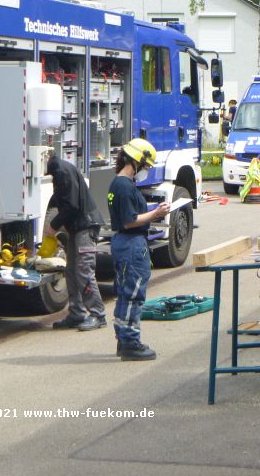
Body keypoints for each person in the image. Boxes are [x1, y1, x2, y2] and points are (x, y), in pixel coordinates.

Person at [107, 138, 170, 361]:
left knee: (127, 293)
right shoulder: (124, 186)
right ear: (136, 162)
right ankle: (130, 342)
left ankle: (124, 339)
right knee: (133, 295)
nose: (146, 171)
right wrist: (155, 214)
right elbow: (129, 220)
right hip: (132, 244)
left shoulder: (120, 184)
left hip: (126, 244)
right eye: (145, 166)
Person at [44, 153, 108, 331]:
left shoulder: (62, 172)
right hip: (78, 227)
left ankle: (98, 314)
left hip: (86, 226)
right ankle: (76, 313)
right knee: (70, 270)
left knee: (84, 271)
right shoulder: (59, 171)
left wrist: (54, 226)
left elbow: (72, 206)